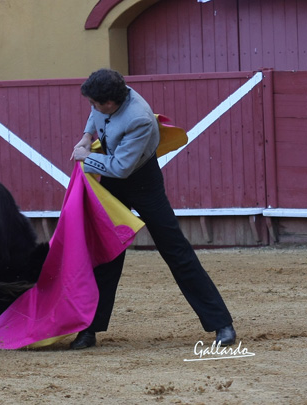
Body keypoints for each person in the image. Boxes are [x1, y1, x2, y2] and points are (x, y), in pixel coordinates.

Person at [69, 68, 236, 350]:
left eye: (96, 103)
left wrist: (87, 159)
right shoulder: (105, 99)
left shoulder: (139, 118)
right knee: (106, 251)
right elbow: (95, 115)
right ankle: (89, 329)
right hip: (112, 177)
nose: (93, 107)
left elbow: (122, 168)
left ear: (111, 102)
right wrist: (87, 136)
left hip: (142, 182)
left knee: (175, 249)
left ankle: (222, 323)